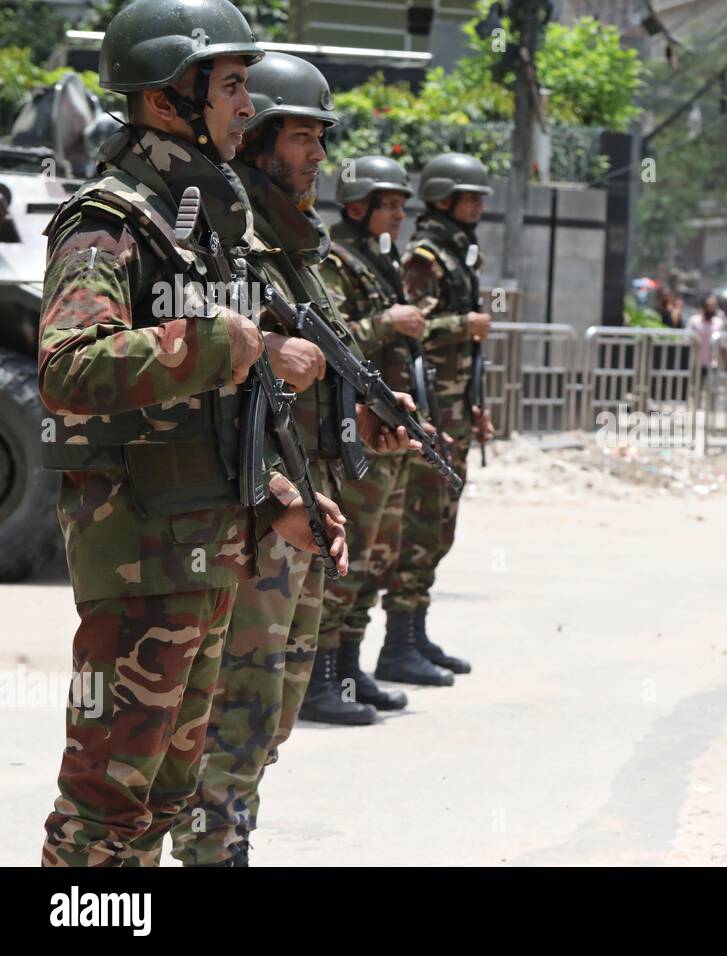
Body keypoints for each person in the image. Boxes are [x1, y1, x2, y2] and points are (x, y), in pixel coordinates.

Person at [38, 0, 347, 867]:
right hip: (139, 559)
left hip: (205, 550)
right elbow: (68, 368)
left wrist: (282, 500)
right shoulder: (112, 219)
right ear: (173, 92)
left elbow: (211, 413)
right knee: (105, 803)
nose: (247, 107)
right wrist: (218, 341)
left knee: (167, 799)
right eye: (234, 84)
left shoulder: (199, 224)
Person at [170, 53, 422, 866]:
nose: (317, 156)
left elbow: (322, 372)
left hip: (303, 502)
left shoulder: (298, 248)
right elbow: (197, 365)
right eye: (302, 138)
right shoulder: (221, 234)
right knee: (233, 713)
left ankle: (231, 841)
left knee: (271, 712)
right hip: (249, 506)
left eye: (321, 139)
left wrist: (368, 418)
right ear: (257, 141)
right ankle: (211, 852)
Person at [307, 155, 451, 712]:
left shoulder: (378, 262)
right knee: (351, 560)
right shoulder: (336, 262)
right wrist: (386, 323)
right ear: (357, 206)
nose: (398, 215)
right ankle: (320, 681)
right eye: (387, 204)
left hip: (390, 430)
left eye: (400, 205)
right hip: (356, 432)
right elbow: (331, 345)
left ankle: (348, 670)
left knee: (377, 559)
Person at [385, 152, 496, 679]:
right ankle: (397, 645)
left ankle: (414, 634)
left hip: (453, 409)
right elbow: (412, 327)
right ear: (443, 198)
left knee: (441, 525)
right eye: (469, 197)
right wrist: (463, 325)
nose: (477, 207)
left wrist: (474, 405)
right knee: (423, 522)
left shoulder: (460, 252)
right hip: (431, 410)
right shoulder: (427, 256)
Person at [687, 294, 727, 376]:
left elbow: (723, 344)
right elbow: (686, 340)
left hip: (713, 364)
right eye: (709, 306)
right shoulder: (694, 321)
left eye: (714, 306)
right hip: (696, 363)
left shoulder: (719, 323)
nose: (711, 309)